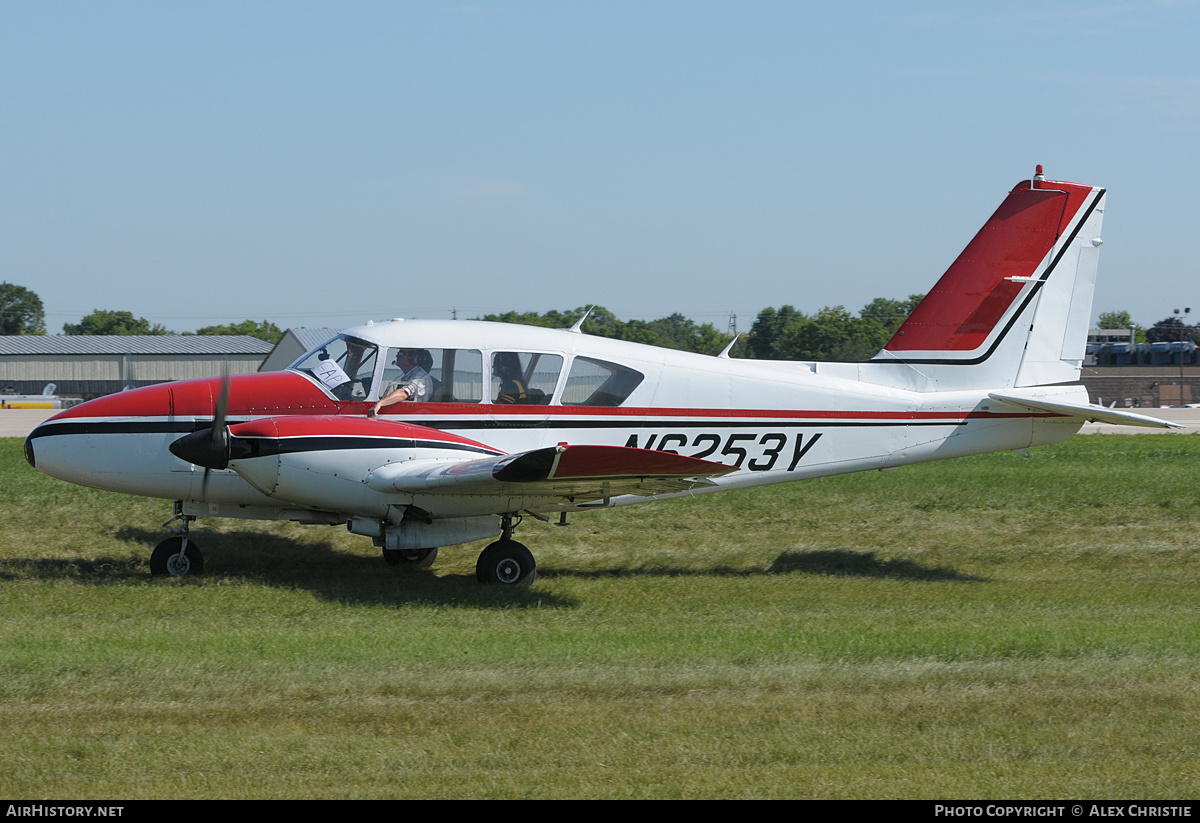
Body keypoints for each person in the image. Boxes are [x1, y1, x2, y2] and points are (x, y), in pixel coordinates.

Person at [369, 349, 432, 415]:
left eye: (401, 353)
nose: (397, 356)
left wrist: (380, 403)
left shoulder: (420, 377)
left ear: (414, 358)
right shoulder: (411, 375)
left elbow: (403, 393)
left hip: (413, 418)